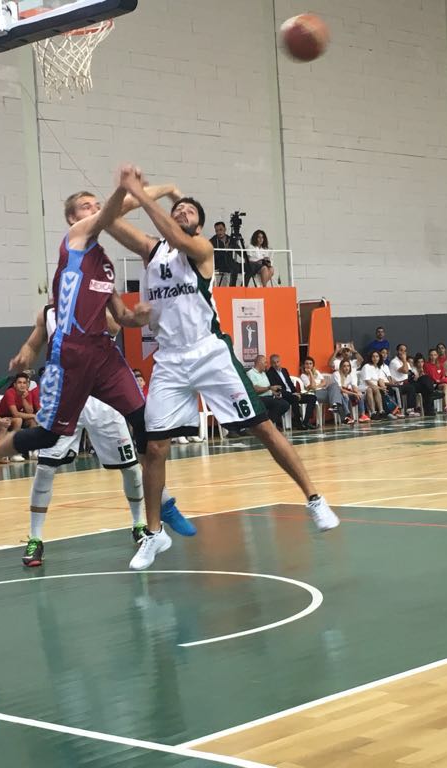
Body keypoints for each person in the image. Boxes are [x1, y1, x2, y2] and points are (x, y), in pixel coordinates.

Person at [110, 165, 338, 569]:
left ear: (199, 224)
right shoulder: (151, 251)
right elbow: (110, 219)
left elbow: (176, 237)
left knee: (263, 428)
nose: (181, 212)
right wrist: (152, 188)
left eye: (188, 211)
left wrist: (143, 194)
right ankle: (154, 534)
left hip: (209, 353)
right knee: (155, 447)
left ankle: (314, 499)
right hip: (169, 359)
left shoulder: (201, 249)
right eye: (177, 209)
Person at [0, 175, 189, 558]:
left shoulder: (106, 266)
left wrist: (140, 316)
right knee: (48, 437)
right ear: (71, 218)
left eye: (97, 205)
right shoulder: (75, 239)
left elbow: (121, 318)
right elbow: (117, 209)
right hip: (71, 356)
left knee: (146, 424)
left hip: (104, 355)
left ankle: (161, 502)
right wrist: (161, 189)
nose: (95, 210)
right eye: (87, 206)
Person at [17, 304, 183, 567]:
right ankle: (35, 538)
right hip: (65, 399)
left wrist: (97, 300)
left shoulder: (96, 304)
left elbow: (115, 327)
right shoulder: (47, 313)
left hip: (102, 402)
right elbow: (34, 344)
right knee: (45, 468)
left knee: (131, 468)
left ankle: (138, 524)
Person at [268, 353, 318, 429]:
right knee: (294, 398)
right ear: (271, 364)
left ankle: (306, 422)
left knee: (312, 398)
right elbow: (277, 389)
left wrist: (295, 392)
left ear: (280, 361)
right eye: (274, 363)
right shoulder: (270, 373)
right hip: (283, 395)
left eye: (278, 362)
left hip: (293, 393)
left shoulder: (284, 370)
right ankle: (298, 422)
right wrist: (292, 394)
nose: (276, 364)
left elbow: (290, 383)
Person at [301, 356, 352, 424]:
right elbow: (312, 387)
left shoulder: (316, 372)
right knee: (340, 394)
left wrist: (317, 386)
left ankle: (336, 407)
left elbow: (324, 382)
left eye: (310, 364)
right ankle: (346, 414)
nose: (309, 365)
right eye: (307, 364)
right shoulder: (303, 376)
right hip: (315, 393)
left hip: (324, 391)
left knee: (334, 385)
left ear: (313, 365)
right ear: (304, 365)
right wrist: (310, 373)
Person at [247, 355, 291, 428]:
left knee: (285, 404)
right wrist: (269, 388)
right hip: (258, 398)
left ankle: (268, 424)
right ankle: (267, 426)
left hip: (269, 396)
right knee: (278, 404)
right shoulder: (250, 373)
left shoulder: (263, 373)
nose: (266, 365)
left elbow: (267, 388)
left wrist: (274, 393)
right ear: (259, 363)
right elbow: (255, 389)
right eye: (265, 362)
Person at [387, 344, 420, 416]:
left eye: (405, 351)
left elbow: (409, 372)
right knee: (406, 388)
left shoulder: (406, 363)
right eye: (401, 350)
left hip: (404, 384)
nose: (403, 352)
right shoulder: (394, 361)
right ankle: (401, 410)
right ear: (397, 351)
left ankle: (411, 409)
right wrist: (404, 360)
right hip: (395, 385)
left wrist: (415, 375)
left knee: (413, 387)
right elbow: (405, 371)